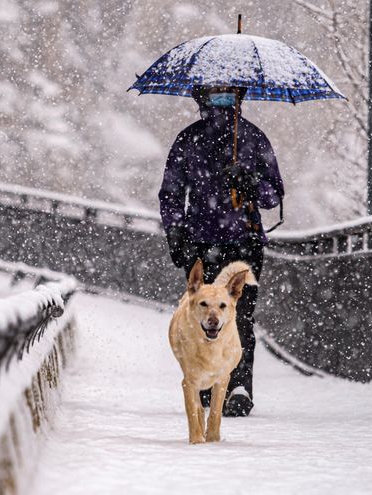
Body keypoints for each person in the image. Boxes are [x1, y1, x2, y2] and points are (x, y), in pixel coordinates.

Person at [158, 86, 284, 417]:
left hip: (242, 244)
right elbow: (171, 193)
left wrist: (249, 182)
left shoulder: (252, 139)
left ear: (239, 99)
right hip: (203, 244)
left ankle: (237, 387)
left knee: (238, 316)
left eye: (229, 95)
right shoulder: (191, 140)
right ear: (202, 98)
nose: (222, 101)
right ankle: (205, 381)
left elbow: (273, 196)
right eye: (216, 95)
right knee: (204, 315)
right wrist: (174, 232)